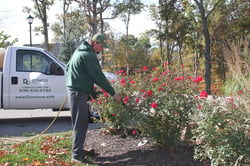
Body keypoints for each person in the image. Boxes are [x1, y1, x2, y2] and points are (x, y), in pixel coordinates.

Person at [66, 33, 121, 164]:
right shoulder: (89, 55)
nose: (102, 49)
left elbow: (68, 66)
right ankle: (76, 155)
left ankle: (78, 150)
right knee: (80, 124)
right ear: (95, 43)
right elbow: (99, 76)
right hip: (78, 92)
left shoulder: (79, 51)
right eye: (102, 46)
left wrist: (87, 87)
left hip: (75, 91)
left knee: (80, 123)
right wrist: (113, 93)